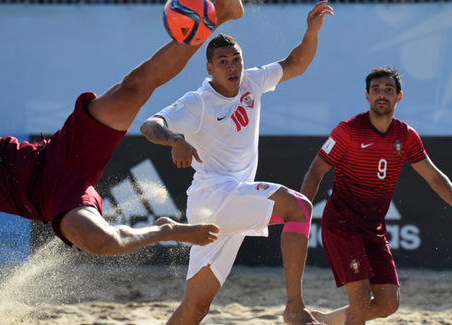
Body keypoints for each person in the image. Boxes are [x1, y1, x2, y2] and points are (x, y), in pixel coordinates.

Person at [0, 0, 246, 258]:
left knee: (134, 87)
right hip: (47, 198)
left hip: (57, 152)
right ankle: (162, 230)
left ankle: (216, 17)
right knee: (103, 243)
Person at [140, 2, 333, 324]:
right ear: (210, 69)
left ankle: (175, 230)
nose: (232, 67)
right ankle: (295, 309)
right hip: (214, 196)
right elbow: (149, 125)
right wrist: (176, 140)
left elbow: (296, 63)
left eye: (236, 59)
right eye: (223, 61)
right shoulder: (198, 101)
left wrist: (311, 32)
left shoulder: (252, 82)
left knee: (195, 308)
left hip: (230, 203)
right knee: (298, 207)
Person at [300, 67, 452, 325]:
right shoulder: (348, 130)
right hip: (342, 224)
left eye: (388, 89)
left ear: (399, 96)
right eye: (376, 90)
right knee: (361, 298)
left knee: (388, 303)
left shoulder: (406, 136)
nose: (381, 94)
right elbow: (315, 171)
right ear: (367, 96)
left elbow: (434, 176)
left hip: (373, 228)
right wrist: (303, 211)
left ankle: (323, 320)